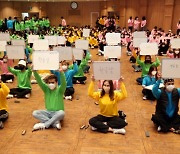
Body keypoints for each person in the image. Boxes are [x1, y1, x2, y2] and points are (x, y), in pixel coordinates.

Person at [32, 66, 66, 131]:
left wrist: (61, 72)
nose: (51, 84)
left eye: (52, 82)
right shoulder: (46, 89)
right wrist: (35, 72)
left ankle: (45, 125)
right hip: (48, 112)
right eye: (49, 83)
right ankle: (54, 123)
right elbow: (39, 81)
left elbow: (64, 83)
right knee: (35, 113)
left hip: (57, 113)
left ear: (56, 83)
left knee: (62, 113)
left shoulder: (60, 90)